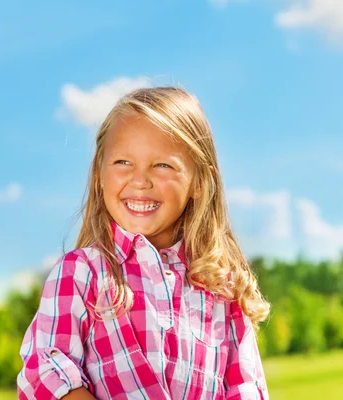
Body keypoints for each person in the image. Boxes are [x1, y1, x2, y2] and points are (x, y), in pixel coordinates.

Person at [17, 86, 270, 399]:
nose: (140, 180)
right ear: (99, 173)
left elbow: (245, 387)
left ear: (200, 183)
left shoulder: (223, 290)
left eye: (162, 165)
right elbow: (47, 372)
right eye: (123, 162)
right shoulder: (81, 274)